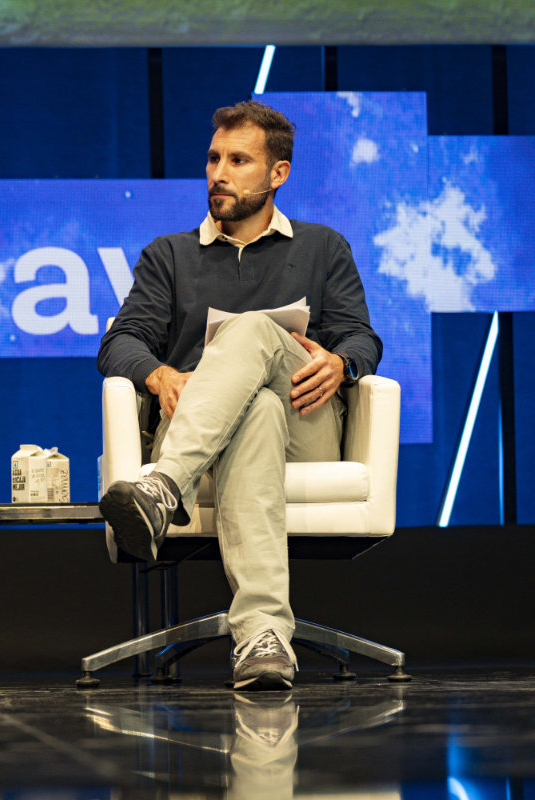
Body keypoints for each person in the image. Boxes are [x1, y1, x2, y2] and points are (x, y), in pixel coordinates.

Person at [97, 100, 382, 691]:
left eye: (238, 161)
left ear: (278, 173)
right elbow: (120, 343)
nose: (218, 174)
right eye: (213, 159)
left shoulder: (323, 247)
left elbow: (361, 336)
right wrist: (160, 375)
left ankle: (162, 489)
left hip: (307, 427)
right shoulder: (169, 255)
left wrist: (342, 362)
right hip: (202, 428)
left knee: (255, 332)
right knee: (258, 411)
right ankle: (262, 636)